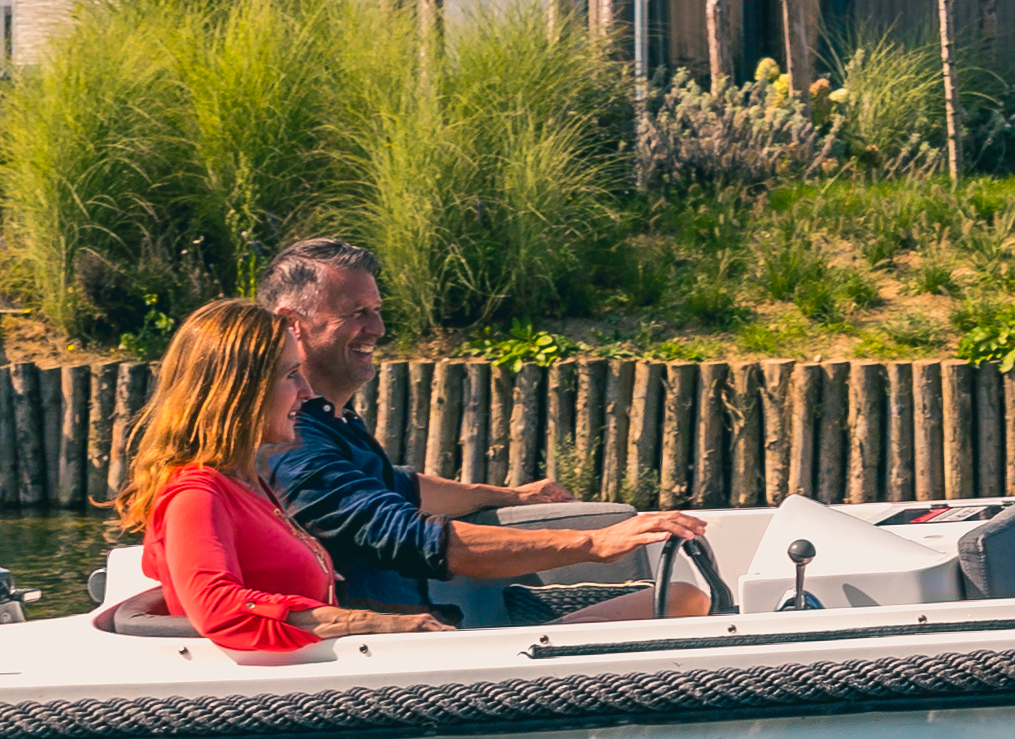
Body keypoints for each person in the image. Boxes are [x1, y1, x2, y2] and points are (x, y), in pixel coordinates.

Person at [257, 239, 704, 610]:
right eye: (356, 312)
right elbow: (406, 536)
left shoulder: (329, 423)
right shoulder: (287, 440)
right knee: (681, 601)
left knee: (683, 597)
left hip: (439, 628)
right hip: (405, 659)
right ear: (291, 324)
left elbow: (402, 487)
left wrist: (510, 495)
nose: (378, 327)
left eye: (376, 310)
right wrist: (592, 543)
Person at [115, 298, 420, 656]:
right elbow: (218, 608)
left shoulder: (245, 484)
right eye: (290, 375)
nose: (307, 392)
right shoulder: (196, 494)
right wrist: (367, 622)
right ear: (240, 392)